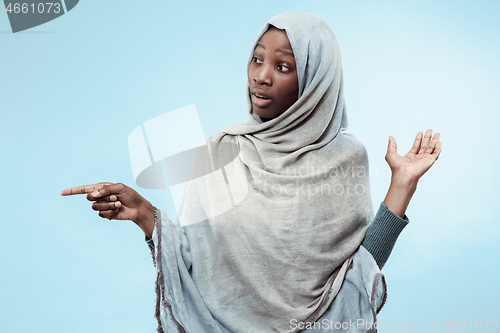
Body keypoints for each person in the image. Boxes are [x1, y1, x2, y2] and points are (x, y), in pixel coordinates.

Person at [61, 12, 441, 333]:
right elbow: (197, 266)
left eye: (283, 66)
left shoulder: (345, 157)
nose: (261, 76)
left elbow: (356, 276)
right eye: (257, 60)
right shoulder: (218, 151)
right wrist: (144, 213)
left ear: (315, 81)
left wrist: (402, 184)